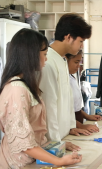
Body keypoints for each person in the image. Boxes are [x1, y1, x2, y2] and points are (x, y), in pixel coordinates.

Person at [0, 28, 82, 169]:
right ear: (31, 55)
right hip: (18, 163)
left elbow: (36, 133)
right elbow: (24, 143)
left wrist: (57, 146)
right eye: (44, 54)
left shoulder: (25, 85)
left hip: (33, 158)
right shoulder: (17, 89)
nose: (46, 59)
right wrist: (58, 161)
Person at [39, 13, 92, 144]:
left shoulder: (62, 60)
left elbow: (67, 100)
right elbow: (48, 109)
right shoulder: (48, 62)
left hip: (64, 136)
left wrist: (71, 127)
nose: (82, 46)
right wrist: (56, 144)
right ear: (68, 37)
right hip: (53, 141)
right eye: (81, 41)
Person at [65, 50, 102, 133]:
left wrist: (87, 116)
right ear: (65, 59)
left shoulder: (72, 77)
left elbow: (75, 106)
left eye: (80, 62)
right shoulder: (63, 80)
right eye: (76, 62)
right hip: (70, 124)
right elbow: (64, 112)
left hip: (77, 121)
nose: (78, 66)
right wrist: (81, 126)